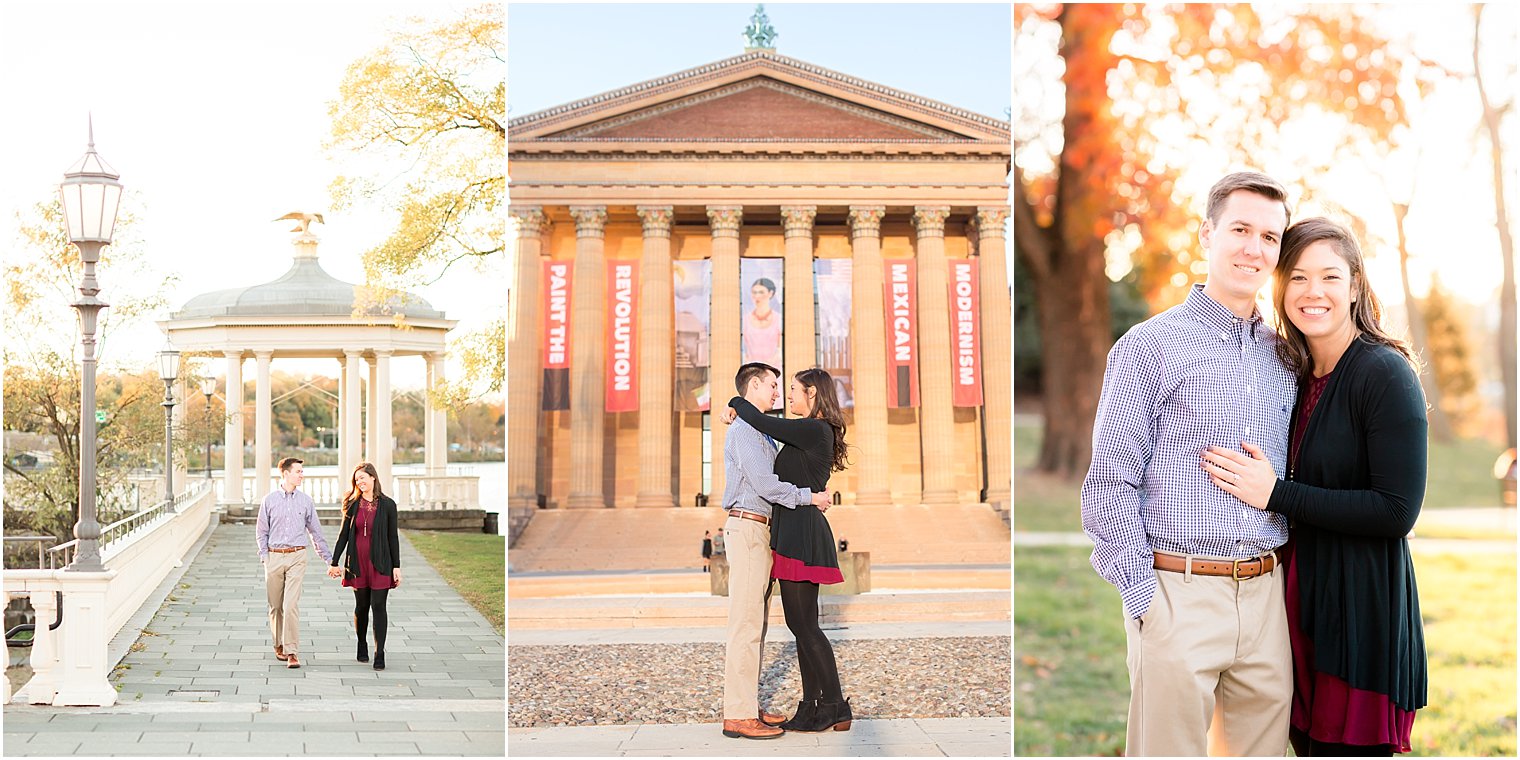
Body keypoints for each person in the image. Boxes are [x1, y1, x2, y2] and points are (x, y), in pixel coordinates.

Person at [1081, 171, 1297, 756]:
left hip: (1267, 597)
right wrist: (1145, 599)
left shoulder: (1287, 355)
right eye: (1241, 230)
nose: (1255, 248)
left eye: (1270, 237)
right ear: (1207, 235)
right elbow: (1110, 482)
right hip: (1178, 592)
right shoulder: (1149, 346)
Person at [1201, 217, 1428, 755]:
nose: (1313, 292)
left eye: (1329, 277)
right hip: (1299, 609)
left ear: (1354, 287)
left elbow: (1397, 511)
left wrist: (1275, 493)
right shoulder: (1295, 373)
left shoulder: (1383, 374)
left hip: (1359, 614)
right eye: (1298, 277)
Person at [721, 367, 852, 733]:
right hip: (785, 528)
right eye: (777, 386)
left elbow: (764, 426)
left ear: (812, 393)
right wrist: (738, 406)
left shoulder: (810, 428)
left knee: (803, 625)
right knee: (793, 625)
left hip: (800, 531)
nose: (783, 395)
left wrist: (735, 403)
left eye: (790, 389)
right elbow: (767, 472)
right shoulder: (775, 431)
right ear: (755, 386)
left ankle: (833, 707)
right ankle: (810, 707)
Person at [256, 457, 334, 669]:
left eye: (302, 471)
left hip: (297, 556)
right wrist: (265, 557)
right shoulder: (269, 500)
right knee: (276, 606)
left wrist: (329, 560)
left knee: (290, 605)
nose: (302, 475)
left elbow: (316, 533)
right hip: (274, 556)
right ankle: (278, 644)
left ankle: (292, 651)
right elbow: (261, 531)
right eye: (298, 471)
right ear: (286, 473)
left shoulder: (306, 501)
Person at [327, 462, 403, 671]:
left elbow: (392, 537)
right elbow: (343, 534)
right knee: (362, 607)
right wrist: (334, 562)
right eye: (356, 479)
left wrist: (396, 566)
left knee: (379, 606)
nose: (359, 482)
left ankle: (380, 653)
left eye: (363, 477)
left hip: (381, 563)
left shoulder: (388, 505)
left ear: (373, 478)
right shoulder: (352, 504)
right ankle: (362, 643)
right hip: (357, 563)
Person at [742, 278, 782, 374]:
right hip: (751, 372)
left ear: (770, 293)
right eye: (754, 292)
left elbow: (780, 350)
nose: (757, 296)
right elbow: (743, 349)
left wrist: (766, 367)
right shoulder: (745, 320)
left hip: (774, 371)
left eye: (761, 292)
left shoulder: (779, 319)